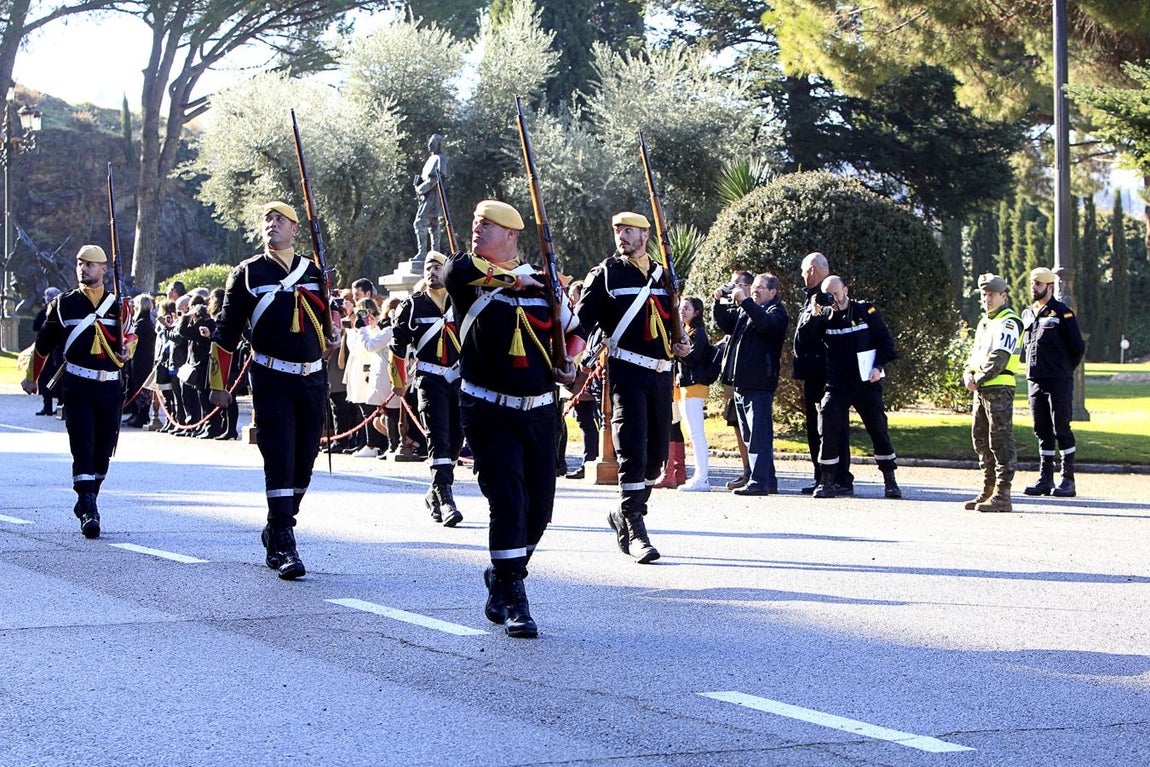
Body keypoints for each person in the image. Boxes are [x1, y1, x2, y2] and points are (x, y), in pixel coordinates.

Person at [443, 199, 578, 638]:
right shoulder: (467, 272)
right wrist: (518, 279)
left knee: (539, 510)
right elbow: (454, 274)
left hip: (540, 411)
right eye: (476, 222)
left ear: (512, 236)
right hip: (486, 408)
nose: (477, 229)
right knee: (508, 500)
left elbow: (573, 333)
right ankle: (517, 598)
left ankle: (503, 574)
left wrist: (570, 364)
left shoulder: (543, 284)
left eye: (488, 225)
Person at [208, 201, 334, 580]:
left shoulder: (314, 272)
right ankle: (283, 540)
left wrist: (335, 331)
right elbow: (226, 331)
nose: (272, 224)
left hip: (312, 377)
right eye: (267, 219)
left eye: (280, 219)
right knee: (278, 454)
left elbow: (329, 325)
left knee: (305, 462)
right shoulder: (246, 274)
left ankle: (279, 521)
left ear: (295, 229)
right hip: (270, 376)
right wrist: (219, 385)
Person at [574, 211, 689, 564]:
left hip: (660, 374)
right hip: (625, 373)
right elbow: (580, 323)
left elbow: (673, 324)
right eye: (617, 231)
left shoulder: (664, 275)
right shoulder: (605, 274)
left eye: (628, 230)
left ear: (646, 234)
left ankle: (624, 513)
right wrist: (569, 359)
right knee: (632, 452)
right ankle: (636, 525)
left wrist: (682, 341)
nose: (621, 236)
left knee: (656, 458)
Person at [21, 245, 132, 539]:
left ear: (104, 269)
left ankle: (88, 496)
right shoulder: (63, 304)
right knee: (82, 443)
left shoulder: (119, 305)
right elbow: (44, 343)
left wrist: (127, 349)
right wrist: (32, 377)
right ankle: (88, 507)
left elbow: (130, 338)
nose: (84, 269)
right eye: (80, 264)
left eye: (91, 265)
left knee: (103, 450)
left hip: (109, 385)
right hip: (77, 385)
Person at [798, 274, 901, 499]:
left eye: (836, 293)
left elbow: (886, 344)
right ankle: (827, 481)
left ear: (846, 290)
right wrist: (814, 315)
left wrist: (878, 366)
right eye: (828, 295)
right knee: (827, 425)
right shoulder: (824, 316)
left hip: (865, 382)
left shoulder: (865, 310)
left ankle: (890, 480)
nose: (833, 299)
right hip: (837, 383)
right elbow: (805, 342)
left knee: (878, 429)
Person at [389, 252, 464, 526]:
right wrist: (399, 382)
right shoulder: (412, 306)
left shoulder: (461, 302)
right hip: (429, 380)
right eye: (428, 268)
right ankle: (445, 497)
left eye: (437, 267)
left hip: (459, 380)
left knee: (457, 438)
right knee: (438, 437)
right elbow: (397, 347)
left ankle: (435, 491)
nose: (432, 272)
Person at [713, 273, 789, 495]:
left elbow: (766, 326)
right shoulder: (749, 310)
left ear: (773, 292)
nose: (754, 291)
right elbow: (726, 324)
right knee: (750, 436)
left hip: (760, 382)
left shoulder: (776, 312)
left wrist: (745, 302)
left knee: (759, 435)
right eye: (753, 287)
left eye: (760, 288)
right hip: (742, 382)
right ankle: (767, 480)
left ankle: (758, 482)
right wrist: (718, 302)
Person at [1021, 266, 1086, 498]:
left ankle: (1067, 479)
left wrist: (1064, 370)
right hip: (1035, 379)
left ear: (1049, 286)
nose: (1034, 288)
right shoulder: (1028, 313)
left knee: (1062, 428)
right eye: (1032, 283)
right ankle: (1045, 478)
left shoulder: (1062, 313)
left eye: (1038, 284)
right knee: (1042, 429)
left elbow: (1077, 347)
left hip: (1058, 380)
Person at [793, 252, 853, 495]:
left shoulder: (827, 296)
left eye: (803, 272)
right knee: (815, 427)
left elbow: (819, 332)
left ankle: (839, 478)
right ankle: (821, 476)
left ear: (811, 271)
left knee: (833, 425)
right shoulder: (813, 297)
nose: (802, 277)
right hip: (814, 371)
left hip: (826, 371)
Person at [963, 273, 1023, 513]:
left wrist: (977, 378)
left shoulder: (1009, 321)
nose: (987, 299)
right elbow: (976, 355)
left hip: (998, 386)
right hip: (982, 387)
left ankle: (1003, 494)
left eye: (991, 295)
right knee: (980, 439)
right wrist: (967, 372)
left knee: (1000, 440)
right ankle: (988, 488)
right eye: (984, 295)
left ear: (1003, 296)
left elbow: (1000, 356)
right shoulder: (985, 321)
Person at [344, 298, 393, 458]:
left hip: (369, 371)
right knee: (366, 412)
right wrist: (354, 330)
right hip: (359, 370)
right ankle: (367, 442)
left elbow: (369, 347)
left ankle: (374, 444)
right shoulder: (364, 329)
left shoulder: (379, 329)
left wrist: (364, 328)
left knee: (372, 412)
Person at [675, 295, 713, 492]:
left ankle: (702, 478)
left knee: (697, 434)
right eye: (682, 307)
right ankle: (698, 475)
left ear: (697, 312)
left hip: (695, 386)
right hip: (684, 386)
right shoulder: (687, 331)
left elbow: (692, 359)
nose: (683, 311)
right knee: (692, 433)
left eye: (687, 308)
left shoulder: (698, 334)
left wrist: (679, 351)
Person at [123, 294, 156, 428]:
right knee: (135, 385)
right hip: (140, 358)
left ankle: (141, 415)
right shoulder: (144, 321)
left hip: (142, 359)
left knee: (141, 386)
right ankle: (136, 413)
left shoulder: (143, 323)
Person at [413, 133, 446, 262]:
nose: (429, 146)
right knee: (433, 224)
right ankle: (435, 253)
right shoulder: (430, 160)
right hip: (427, 196)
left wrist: (420, 189)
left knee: (420, 222)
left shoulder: (440, 159)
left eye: (432, 143)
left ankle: (423, 253)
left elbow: (436, 178)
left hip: (433, 196)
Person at [31, 286, 63, 416]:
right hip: (46, 352)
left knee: (59, 379)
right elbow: (36, 327)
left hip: (58, 351)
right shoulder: (44, 312)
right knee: (44, 379)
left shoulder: (61, 312)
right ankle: (47, 406)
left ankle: (61, 406)